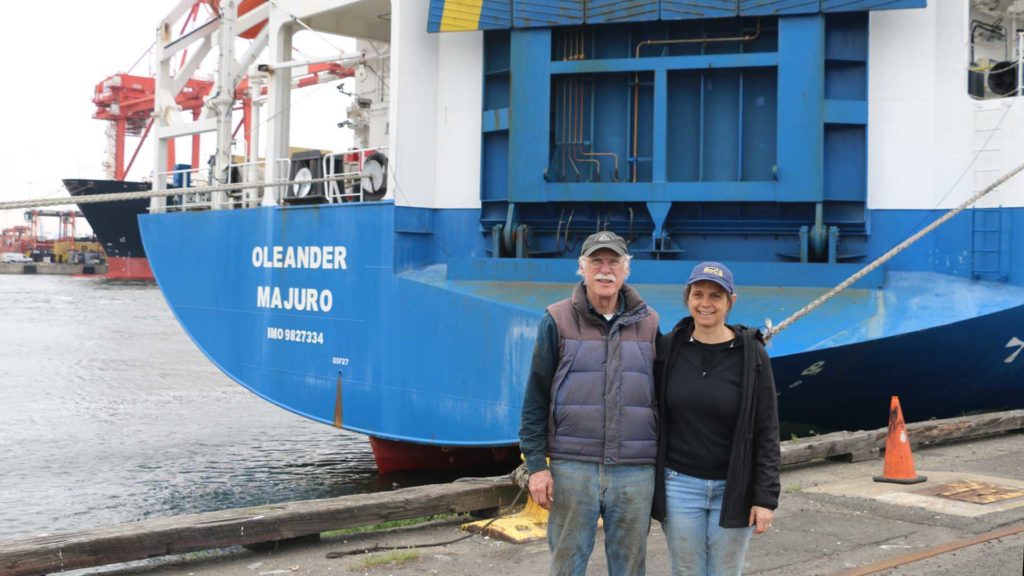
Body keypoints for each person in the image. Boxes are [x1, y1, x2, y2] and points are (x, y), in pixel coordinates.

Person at [519, 231, 660, 576]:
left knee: (629, 568)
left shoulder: (650, 323)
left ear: (627, 270)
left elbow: (665, 399)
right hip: (572, 469)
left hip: (634, 468)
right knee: (567, 565)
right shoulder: (556, 320)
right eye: (596, 261)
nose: (605, 270)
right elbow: (536, 397)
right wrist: (537, 466)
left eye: (614, 262)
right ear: (581, 268)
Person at [652, 262, 780, 576]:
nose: (705, 303)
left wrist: (765, 498)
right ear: (687, 298)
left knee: (726, 571)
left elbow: (767, 429)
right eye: (698, 294)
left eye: (715, 296)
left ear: (730, 302)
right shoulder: (668, 349)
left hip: (734, 486)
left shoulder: (752, 355)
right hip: (680, 485)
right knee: (686, 570)